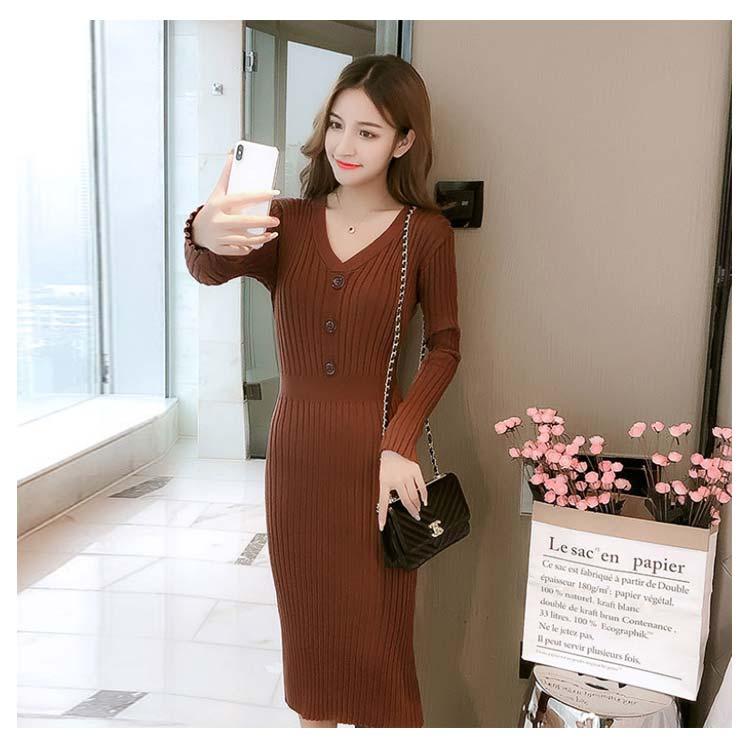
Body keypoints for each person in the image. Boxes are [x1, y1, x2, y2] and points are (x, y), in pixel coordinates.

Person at [184, 53, 461, 728]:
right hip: (298, 462)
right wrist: (202, 229)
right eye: (337, 124)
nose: (345, 144)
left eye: (368, 131)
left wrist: (398, 444)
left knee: (382, 648)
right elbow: (210, 268)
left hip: (378, 466)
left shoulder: (424, 233)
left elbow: (445, 347)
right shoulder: (288, 221)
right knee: (310, 643)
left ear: (403, 142)